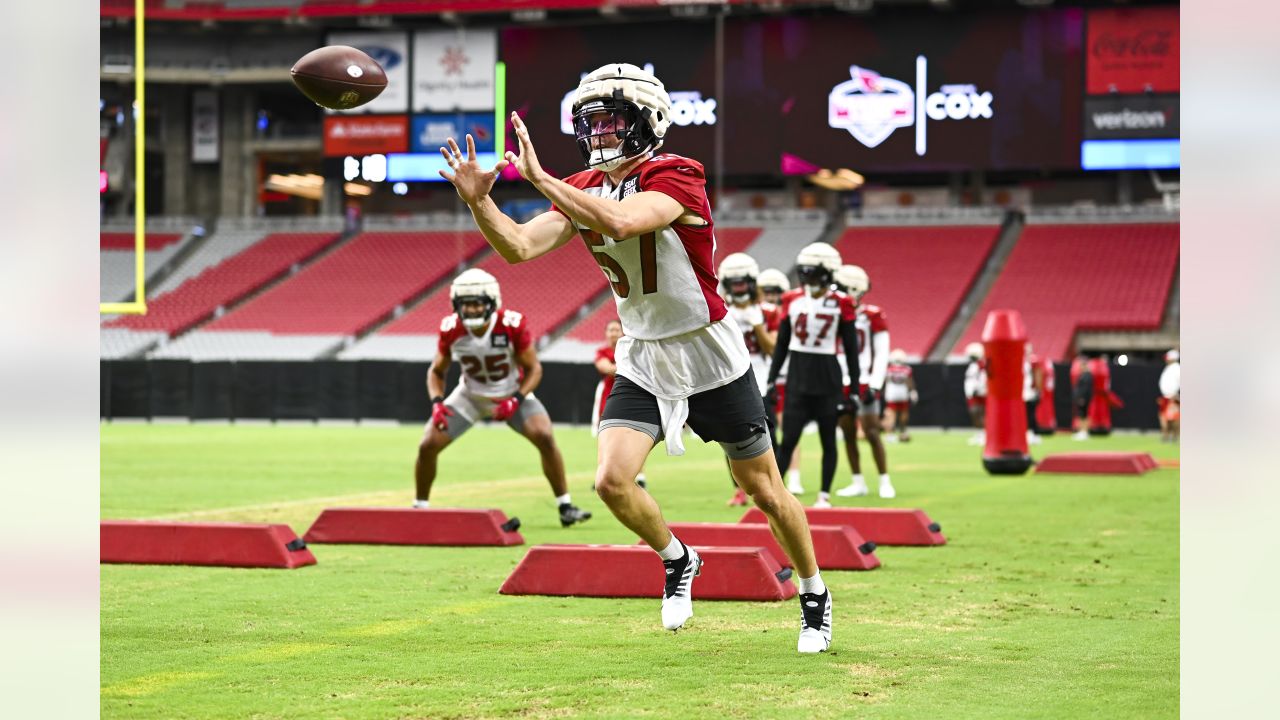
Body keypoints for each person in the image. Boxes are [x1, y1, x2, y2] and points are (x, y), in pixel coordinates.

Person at [438, 62, 831, 652]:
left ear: (649, 121)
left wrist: (542, 179)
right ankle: (678, 559)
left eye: (613, 118)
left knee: (765, 491)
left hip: (709, 351)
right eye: (591, 120)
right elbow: (519, 246)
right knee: (611, 481)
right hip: (644, 352)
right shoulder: (585, 184)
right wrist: (479, 204)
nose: (600, 132)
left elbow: (624, 220)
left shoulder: (677, 172)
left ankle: (813, 594)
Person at [415, 269, 592, 528]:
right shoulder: (452, 328)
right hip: (470, 395)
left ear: (491, 303)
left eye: (477, 303)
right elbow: (437, 371)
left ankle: (565, 505)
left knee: (544, 436)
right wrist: (437, 403)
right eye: (466, 305)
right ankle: (419, 508)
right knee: (427, 445)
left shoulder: (510, 324)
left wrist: (516, 400)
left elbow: (534, 369)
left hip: (510, 392)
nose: (472, 311)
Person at [767, 243, 863, 510]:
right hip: (798, 375)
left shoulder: (842, 302)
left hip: (827, 376)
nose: (807, 275)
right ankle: (777, 494)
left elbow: (852, 349)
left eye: (813, 270)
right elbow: (783, 344)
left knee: (828, 440)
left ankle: (824, 495)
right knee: (788, 441)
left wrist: (854, 388)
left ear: (827, 272)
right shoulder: (792, 299)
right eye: (805, 270)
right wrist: (772, 379)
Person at [720, 253, 780, 507]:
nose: (739, 289)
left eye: (743, 284)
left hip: (762, 378)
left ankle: (776, 483)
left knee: (769, 435)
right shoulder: (720, 311)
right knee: (730, 436)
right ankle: (740, 489)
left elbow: (772, 349)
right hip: (731, 379)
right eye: (734, 284)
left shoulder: (767, 311)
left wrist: (757, 324)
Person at [830, 265, 894, 499]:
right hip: (841, 381)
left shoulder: (871, 315)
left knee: (872, 432)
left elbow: (882, 351)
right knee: (847, 433)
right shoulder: (832, 312)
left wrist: (876, 384)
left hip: (865, 380)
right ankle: (858, 481)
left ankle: (884, 480)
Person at [759, 268, 805, 494]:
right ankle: (772, 478)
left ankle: (793, 476)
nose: (770, 296)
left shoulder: (792, 313)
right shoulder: (760, 313)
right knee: (765, 432)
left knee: (789, 429)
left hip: (788, 376)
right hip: (764, 377)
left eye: (775, 291)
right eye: (766, 291)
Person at [594, 319, 645, 489]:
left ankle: (640, 475)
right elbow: (605, 368)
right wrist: (627, 368)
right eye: (610, 330)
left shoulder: (629, 347)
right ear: (606, 333)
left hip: (629, 397)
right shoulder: (603, 351)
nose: (613, 333)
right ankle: (602, 473)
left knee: (635, 436)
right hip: (607, 397)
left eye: (616, 329)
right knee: (604, 438)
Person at [882, 349, 917, 443]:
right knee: (903, 413)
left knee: (890, 415)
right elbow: (909, 381)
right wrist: (913, 391)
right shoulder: (907, 369)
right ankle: (903, 432)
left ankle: (890, 435)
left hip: (891, 394)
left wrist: (883, 392)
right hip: (902, 394)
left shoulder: (888, 369)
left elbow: (885, 381)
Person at [963, 342, 987, 445]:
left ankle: (985, 435)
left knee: (979, 413)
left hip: (980, 393)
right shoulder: (973, 365)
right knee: (974, 414)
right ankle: (979, 434)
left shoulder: (982, 365)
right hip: (972, 393)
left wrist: (980, 388)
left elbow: (983, 377)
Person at [1158, 349, 1180, 443]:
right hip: (1165, 397)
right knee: (1163, 417)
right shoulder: (1168, 368)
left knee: (1174, 418)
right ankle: (1165, 436)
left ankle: (1175, 436)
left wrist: (1177, 396)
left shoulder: (1177, 368)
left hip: (1173, 397)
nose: (1166, 360)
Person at [1071, 353, 1093, 440]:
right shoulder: (1084, 374)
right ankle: (1082, 431)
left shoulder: (1087, 375)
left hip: (1084, 398)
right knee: (1082, 414)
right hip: (1083, 398)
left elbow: (1085, 388)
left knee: (1084, 414)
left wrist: (1082, 398)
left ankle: (1084, 431)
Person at [1023, 343, 1042, 445]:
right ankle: (1027, 432)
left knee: (1030, 413)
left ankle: (1032, 432)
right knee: (1025, 413)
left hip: (1030, 391)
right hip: (1023, 391)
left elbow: (1038, 375)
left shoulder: (1032, 361)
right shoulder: (1021, 360)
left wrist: (1037, 389)